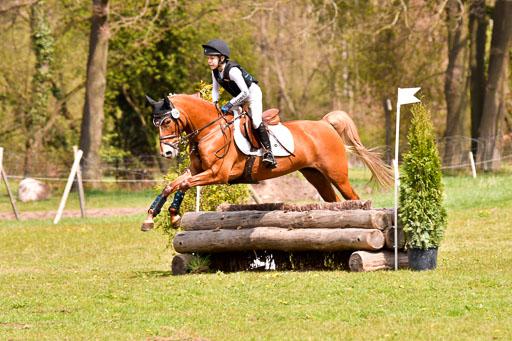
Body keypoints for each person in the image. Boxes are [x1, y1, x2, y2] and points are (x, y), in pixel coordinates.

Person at [202, 39, 277, 169]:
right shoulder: (214, 71)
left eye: (212, 58)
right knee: (229, 118)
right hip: (240, 96)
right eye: (208, 58)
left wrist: (229, 104)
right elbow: (215, 89)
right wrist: (214, 104)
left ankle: (269, 153)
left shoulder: (232, 71)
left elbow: (245, 92)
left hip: (252, 94)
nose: (209, 61)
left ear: (222, 58)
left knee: (255, 121)